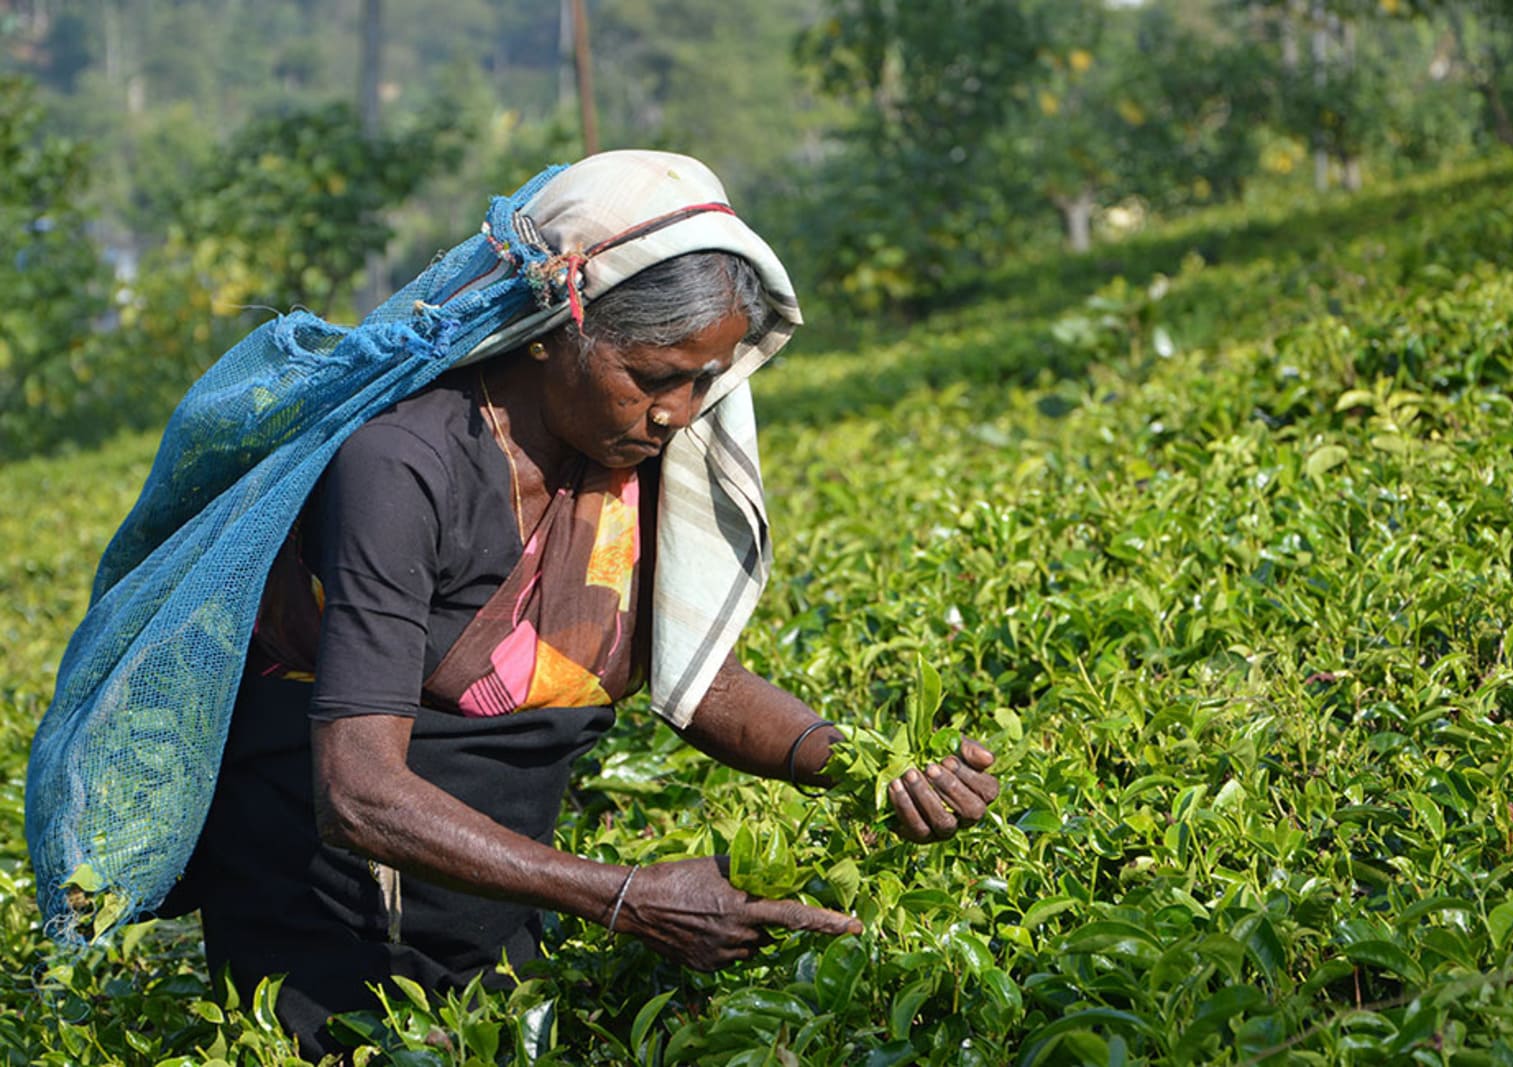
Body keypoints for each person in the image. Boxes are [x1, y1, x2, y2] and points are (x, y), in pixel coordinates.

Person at [173, 150, 1001, 1057]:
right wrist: (625, 895)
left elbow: (702, 682)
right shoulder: (403, 464)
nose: (677, 411)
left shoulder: (633, 457)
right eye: (651, 376)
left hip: (503, 891)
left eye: (702, 380)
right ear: (550, 332)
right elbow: (358, 791)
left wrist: (875, 771)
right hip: (321, 917)